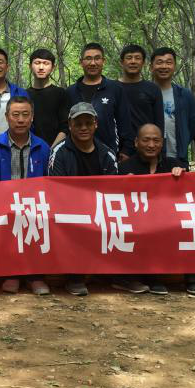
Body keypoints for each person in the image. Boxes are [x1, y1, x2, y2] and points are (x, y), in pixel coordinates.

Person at [0, 96, 50, 295]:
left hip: (34, 206)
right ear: (7, 117)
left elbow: (49, 182)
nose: (20, 120)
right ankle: (12, 273)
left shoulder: (43, 147)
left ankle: (35, 276)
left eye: (25, 115)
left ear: (32, 117)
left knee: (38, 223)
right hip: (4, 205)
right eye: (15, 115)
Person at [48, 102, 118, 296]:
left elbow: (114, 190)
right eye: (78, 124)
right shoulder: (59, 153)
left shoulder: (107, 154)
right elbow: (56, 189)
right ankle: (74, 277)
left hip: (101, 210)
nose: (83, 128)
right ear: (70, 126)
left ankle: (121, 276)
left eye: (88, 123)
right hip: (70, 211)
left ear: (96, 124)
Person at [117, 124, 189, 296]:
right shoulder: (124, 168)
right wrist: (122, 184)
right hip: (135, 222)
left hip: (166, 222)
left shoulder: (172, 165)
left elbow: (189, 193)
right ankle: (129, 279)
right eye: (146, 140)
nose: (151, 145)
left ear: (162, 143)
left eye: (156, 141)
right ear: (136, 142)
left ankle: (172, 278)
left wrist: (182, 176)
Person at [65, 42, 134, 160]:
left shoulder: (115, 89)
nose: (93, 63)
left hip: (108, 155)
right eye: (88, 58)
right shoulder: (70, 91)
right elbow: (67, 125)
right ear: (81, 62)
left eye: (97, 58)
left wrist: (126, 150)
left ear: (103, 61)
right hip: (76, 156)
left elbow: (124, 122)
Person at [149, 46, 195, 168]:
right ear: (151, 67)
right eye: (159, 62)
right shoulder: (144, 94)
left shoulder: (185, 95)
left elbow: (192, 126)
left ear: (174, 66)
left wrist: (183, 142)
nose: (164, 66)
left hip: (178, 157)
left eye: (169, 62)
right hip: (149, 159)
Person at [118, 44, 164, 137]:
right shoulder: (112, 87)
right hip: (117, 143)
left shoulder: (153, 89)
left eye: (137, 58)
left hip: (146, 143)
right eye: (129, 58)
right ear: (121, 62)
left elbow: (159, 123)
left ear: (143, 63)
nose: (133, 61)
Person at [26, 48, 70, 147]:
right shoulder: (24, 95)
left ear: (53, 67)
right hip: (29, 149)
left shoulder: (60, 93)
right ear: (30, 66)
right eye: (37, 63)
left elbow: (65, 127)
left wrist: (51, 150)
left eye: (46, 63)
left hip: (56, 149)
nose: (41, 67)